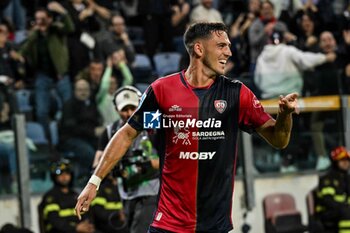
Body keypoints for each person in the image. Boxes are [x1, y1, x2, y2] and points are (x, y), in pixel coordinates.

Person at [75, 22, 299, 233]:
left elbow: (279, 140)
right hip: (169, 222)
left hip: (214, 224)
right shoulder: (162, 91)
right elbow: (128, 133)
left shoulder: (236, 94)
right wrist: (94, 182)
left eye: (229, 46)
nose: (229, 53)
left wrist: (285, 116)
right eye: (221, 46)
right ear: (199, 49)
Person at [92, 85, 159, 233]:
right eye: (124, 109)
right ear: (116, 109)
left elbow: (169, 158)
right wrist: (113, 169)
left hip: (152, 192)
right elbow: (96, 164)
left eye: (132, 108)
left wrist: (146, 166)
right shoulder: (110, 132)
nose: (128, 113)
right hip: (126, 194)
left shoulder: (153, 123)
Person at [38, 159, 95, 233]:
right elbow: (55, 220)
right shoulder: (50, 197)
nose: (64, 177)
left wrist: (87, 226)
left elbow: (86, 215)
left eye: (67, 173)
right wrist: (76, 227)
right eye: (60, 174)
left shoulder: (76, 195)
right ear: (54, 176)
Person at [315, 146, 350, 232]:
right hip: (327, 212)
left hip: (342, 209)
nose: (346, 163)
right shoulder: (328, 179)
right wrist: (345, 206)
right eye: (342, 160)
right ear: (335, 162)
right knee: (347, 213)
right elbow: (328, 201)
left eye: (347, 160)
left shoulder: (347, 178)